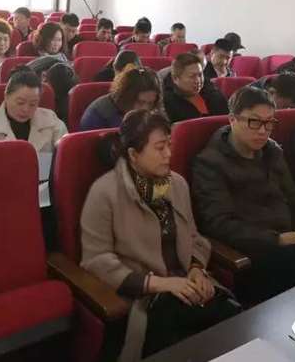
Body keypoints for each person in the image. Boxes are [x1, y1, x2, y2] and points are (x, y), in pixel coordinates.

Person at [80, 109, 240, 360]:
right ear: (133, 154)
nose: (168, 154)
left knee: (233, 321)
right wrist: (162, 284)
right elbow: (96, 260)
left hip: (186, 284)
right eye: (159, 148)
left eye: (169, 145)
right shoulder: (105, 192)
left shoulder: (176, 183)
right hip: (146, 297)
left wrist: (197, 269)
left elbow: (194, 237)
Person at [191, 88, 295, 302]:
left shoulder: (271, 151)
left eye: (269, 123)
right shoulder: (210, 163)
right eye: (254, 122)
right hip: (253, 253)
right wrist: (277, 240)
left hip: (293, 245)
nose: (263, 131)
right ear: (233, 119)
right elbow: (219, 224)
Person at [0, 66, 67, 151]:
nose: (26, 109)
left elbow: (64, 153)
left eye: (33, 104)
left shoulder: (51, 121)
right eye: (20, 103)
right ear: (6, 97)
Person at [80, 67, 162, 131]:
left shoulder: (153, 111)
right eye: (140, 102)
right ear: (126, 97)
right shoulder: (98, 116)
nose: (145, 108)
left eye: (150, 103)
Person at [163, 52, 228, 123]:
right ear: (175, 78)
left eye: (200, 75)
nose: (198, 80)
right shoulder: (167, 103)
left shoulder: (213, 93)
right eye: (192, 76)